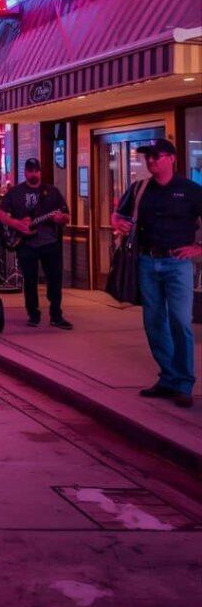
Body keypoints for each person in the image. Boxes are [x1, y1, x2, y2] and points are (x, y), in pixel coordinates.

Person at [112, 138, 202, 409]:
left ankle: (184, 383)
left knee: (180, 321)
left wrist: (197, 248)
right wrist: (118, 223)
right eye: (148, 157)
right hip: (147, 262)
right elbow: (117, 215)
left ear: (172, 158)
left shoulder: (190, 190)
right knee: (153, 322)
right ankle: (169, 377)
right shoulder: (140, 189)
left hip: (177, 264)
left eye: (157, 156)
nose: (151, 161)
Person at [0, 158, 72, 329]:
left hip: (49, 242)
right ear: (25, 172)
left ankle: (56, 315)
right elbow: (0, 213)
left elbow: (66, 216)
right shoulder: (16, 192)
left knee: (54, 280)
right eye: (30, 170)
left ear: (40, 171)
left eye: (36, 170)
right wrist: (16, 224)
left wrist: (60, 218)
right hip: (25, 243)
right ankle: (33, 314)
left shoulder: (51, 191)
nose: (33, 174)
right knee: (29, 281)